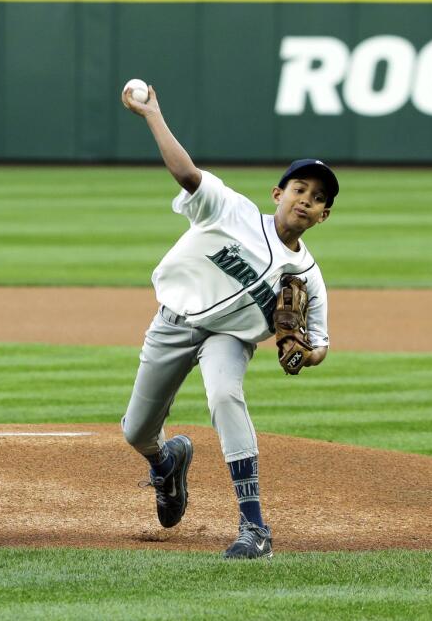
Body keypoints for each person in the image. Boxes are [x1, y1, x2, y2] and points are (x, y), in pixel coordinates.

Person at [118, 83, 337, 560]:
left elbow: (319, 343)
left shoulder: (308, 278)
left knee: (224, 394)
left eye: (318, 197)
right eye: (299, 188)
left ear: (323, 216)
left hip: (230, 338)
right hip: (174, 322)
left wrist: (303, 350)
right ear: (278, 193)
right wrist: (153, 114)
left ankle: (254, 527)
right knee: (136, 431)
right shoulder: (232, 211)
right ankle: (167, 460)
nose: (306, 199)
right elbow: (186, 173)